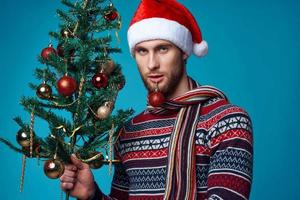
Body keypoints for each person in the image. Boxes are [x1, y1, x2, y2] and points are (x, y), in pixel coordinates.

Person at [60, 0, 253, 199]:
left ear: (184, 52)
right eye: (142, 51)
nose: (152, 64)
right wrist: (93, 195)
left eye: (163, 49)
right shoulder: (129, 132)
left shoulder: (228, 121)